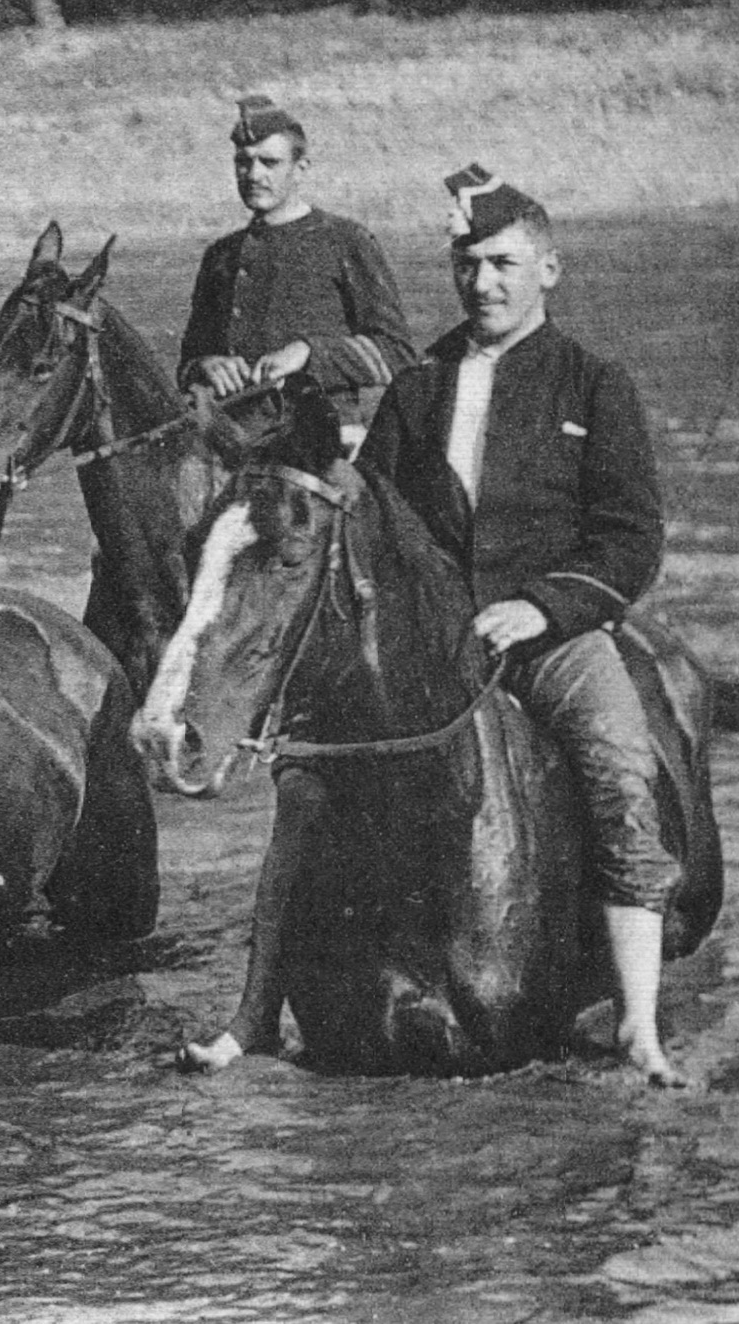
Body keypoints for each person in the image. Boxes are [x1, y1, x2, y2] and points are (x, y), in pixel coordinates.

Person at [187, 166, 682, 1086]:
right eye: (468, 265)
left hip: (551, 635)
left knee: (619, 760)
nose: (483, 283)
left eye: (502, 263)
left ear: (549, 269)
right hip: (432, 644)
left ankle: (640, 1024)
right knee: (302, 784)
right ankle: (254, 1013)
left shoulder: (594, 384)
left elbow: (631, 535)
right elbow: (368, 512)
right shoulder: (417, 387)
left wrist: (546, 606)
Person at [178, 96, 415, 445]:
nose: (254, 175)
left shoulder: (345, 240)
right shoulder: (221, 255)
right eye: (243, 163)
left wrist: (308, 353)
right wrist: (205, 366)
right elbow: (187, 363)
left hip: (321, 443)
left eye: (269, 162)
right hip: (226, 440)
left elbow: (397, 353)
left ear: (300, 168)